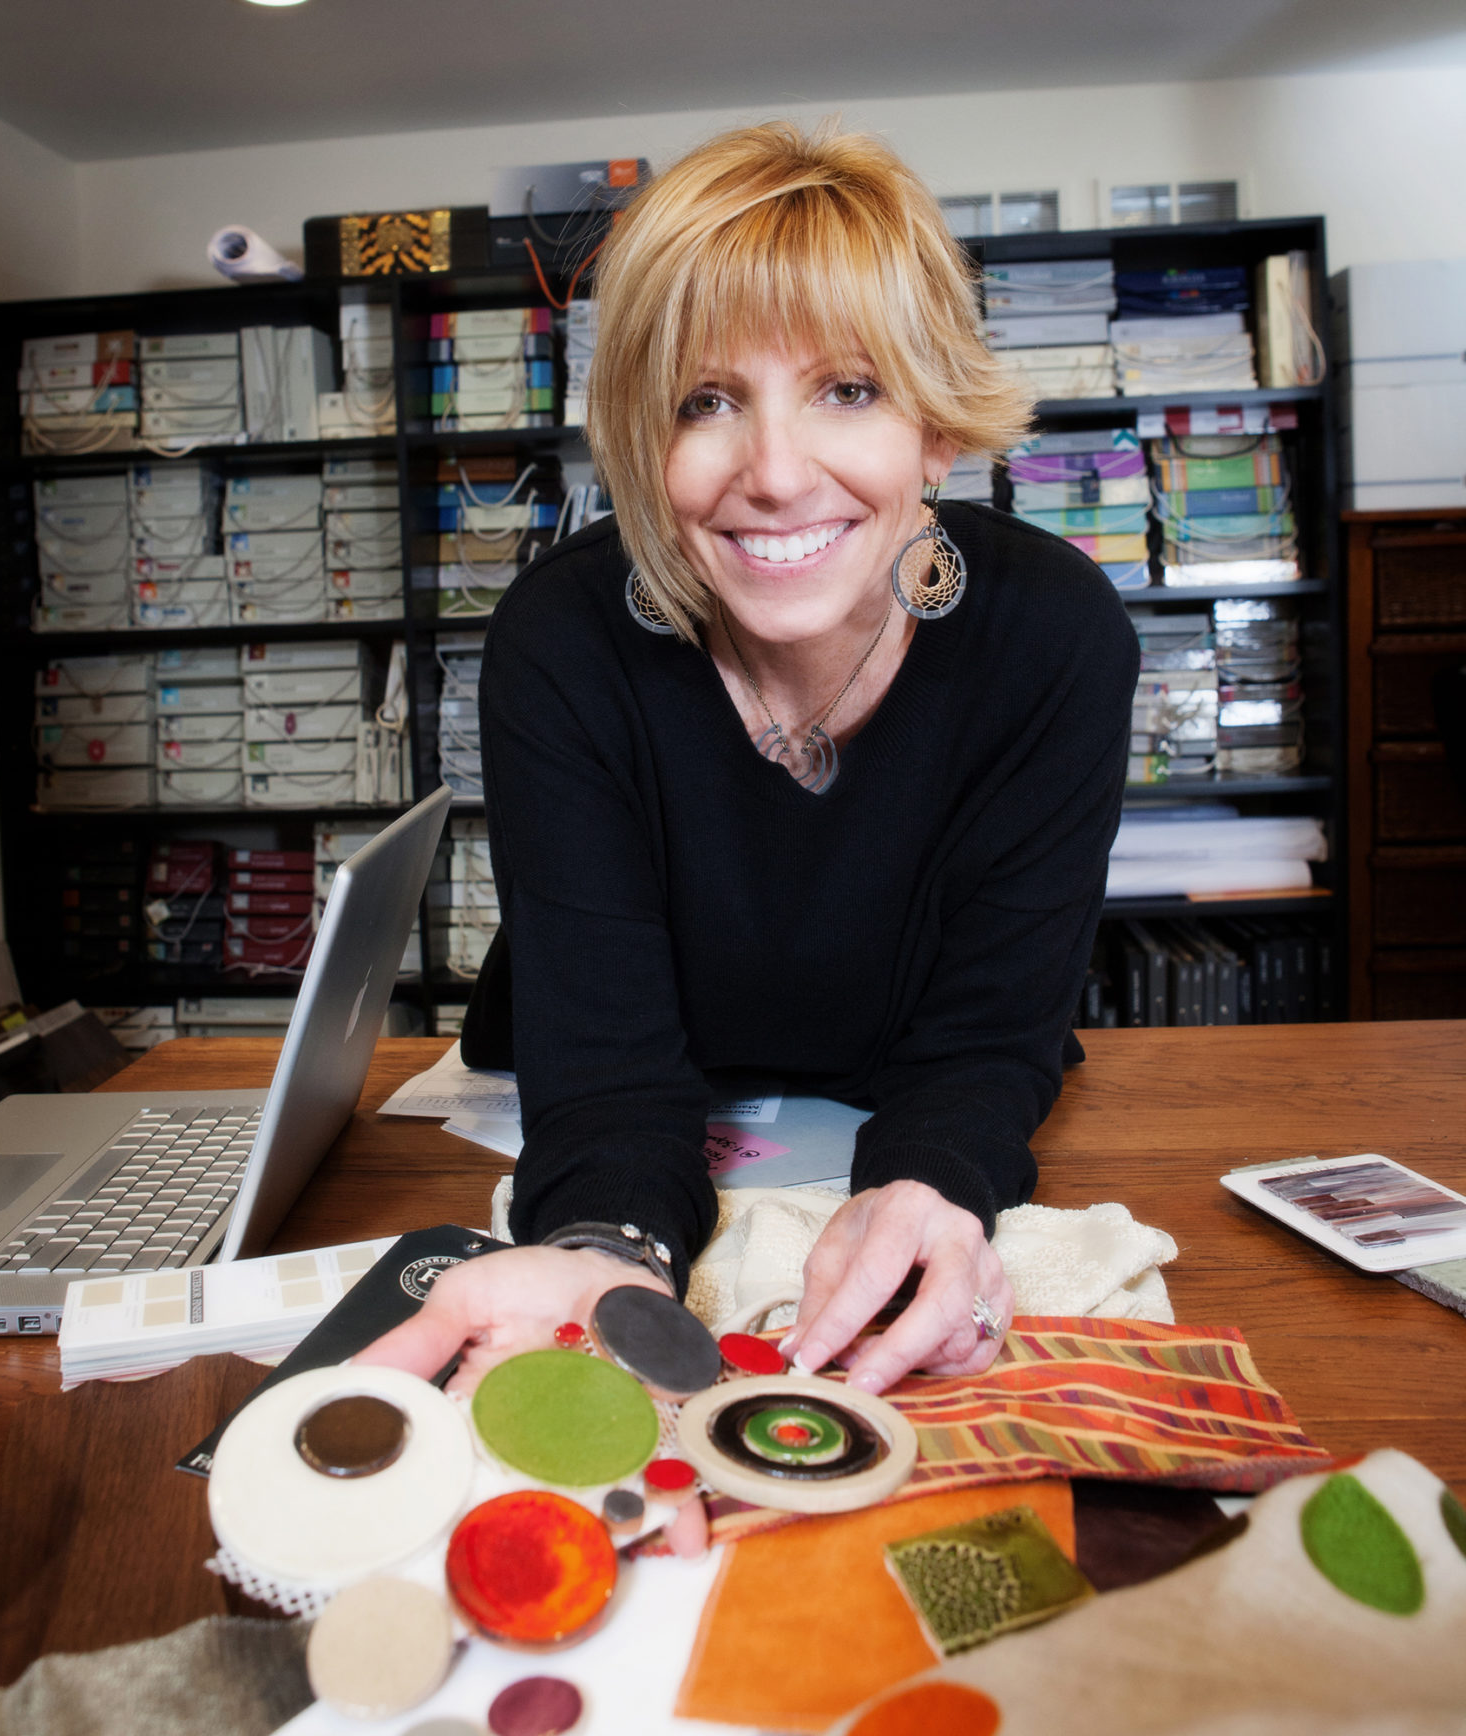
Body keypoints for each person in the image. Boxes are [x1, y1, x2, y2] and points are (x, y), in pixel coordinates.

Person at [358, 121, 1136, 1417]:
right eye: (705, 402)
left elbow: (991, 1032)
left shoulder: (1053, 639)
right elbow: (605, 1069)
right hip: (612, 1076)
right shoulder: (564, 640)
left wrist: (928, 1182)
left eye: (848, 390)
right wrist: (611, 1254)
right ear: (641, 441)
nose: (775, 475)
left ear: (937, 427)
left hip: (895, 1079)